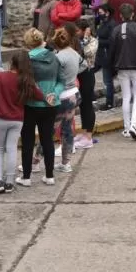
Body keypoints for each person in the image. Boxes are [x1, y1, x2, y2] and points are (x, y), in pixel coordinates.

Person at [0, 53, 45, 194]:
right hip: (17, 120)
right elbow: (40, 96)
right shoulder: (25, 81)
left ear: (11, 63)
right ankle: (9, 182)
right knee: (11, 149)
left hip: (1, 118)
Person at [17, 29, 61, 186]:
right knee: (47, 140)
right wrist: (54, 94)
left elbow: (21, 81)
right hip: (50, 104)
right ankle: (49, 176)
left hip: (30, 104)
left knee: (27, 141)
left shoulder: (26, 59)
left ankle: (26, 177)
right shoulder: (54, 57)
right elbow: (61, 80)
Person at [109, 3, 136, 141]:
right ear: (132, 14)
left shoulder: (116, 30)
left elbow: (112, 51)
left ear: (121, 15)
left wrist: (111, 69)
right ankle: (134, 125)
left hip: (121, 67)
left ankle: (127, 127)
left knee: (126, 97)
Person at [52, 27, 85, 173]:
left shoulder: (58, 57)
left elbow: (52, 74)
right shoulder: (74, 53)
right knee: (67, 129)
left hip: (63, 95)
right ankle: (66, 162)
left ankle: (35, 162)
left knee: (50, 130)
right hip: (74, 94)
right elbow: (84, 65)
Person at [73, 18, 97, 148]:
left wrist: (86, 38)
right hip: (77, 74)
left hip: (87, 74)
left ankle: (89, 135)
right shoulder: (77, 41)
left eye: (78, 31)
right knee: (81, 105)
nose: (76, 33)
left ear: (84, 31)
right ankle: (83, 131)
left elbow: (86, 52)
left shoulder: (93, 41)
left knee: (87, 104)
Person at [94, 4, 117, 111]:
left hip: (107, 55)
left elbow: (112, 41)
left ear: (107, 12)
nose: (99, 14)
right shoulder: (103, 23)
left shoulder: (112, 25)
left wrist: (99, 41)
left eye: (101, 12)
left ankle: (109, 102)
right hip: (100, 54)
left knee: (107, 81)